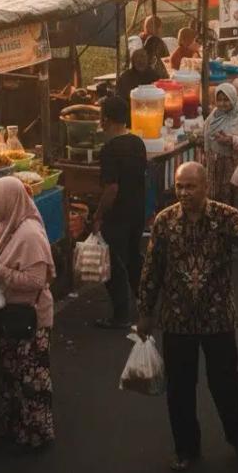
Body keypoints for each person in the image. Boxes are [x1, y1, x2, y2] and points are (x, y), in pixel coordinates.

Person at [136, 162, 238, 472]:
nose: (184, 192)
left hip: (217, 318)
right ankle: (186, 449)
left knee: (226, 384)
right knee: (179, 389)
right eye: (180, 186)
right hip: (177, 321)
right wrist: (145, 311)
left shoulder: (224, 216)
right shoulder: (164, 222)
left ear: (206, 187)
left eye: (190, 186)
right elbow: (152, 269)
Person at [0, 176, 56, 448]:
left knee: (29, 378)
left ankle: (34, 434)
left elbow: (35, 281)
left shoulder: (30, 234)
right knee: (9, 377)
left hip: (28, 317)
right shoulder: (4, 226)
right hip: (8, 316)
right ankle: (14, 429)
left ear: (10, 200)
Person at [92, 95, 147, 329]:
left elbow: (112, 188)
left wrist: (98, 215)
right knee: (134, 257)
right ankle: (145, 301)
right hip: (137, 209)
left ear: (106, 119)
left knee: (112, 265)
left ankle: (120, 314)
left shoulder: (110, 149)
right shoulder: (137, 142)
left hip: (118, 215)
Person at [203, 83, 238, 223]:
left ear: (233, 99)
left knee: (234, 199)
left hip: (234, 166)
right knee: (217, 197)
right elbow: (206, 133)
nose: (222, 103)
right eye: (219, 100)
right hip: (215, 166)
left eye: (226, 100)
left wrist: (231, 140)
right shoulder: (214, 115)